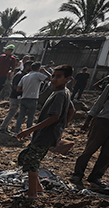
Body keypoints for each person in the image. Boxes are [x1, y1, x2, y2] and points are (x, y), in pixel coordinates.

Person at [16, 65, 74, 197]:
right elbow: (71, 110)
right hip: (45, 133)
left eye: (58, 77)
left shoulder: (60, 95)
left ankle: (32, 193)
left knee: (32, 161)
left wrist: (29, 130)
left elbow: (54, 117)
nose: (54, 79)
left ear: (67, 79)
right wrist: (61, 128)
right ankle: (38, 186)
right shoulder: (62, 92)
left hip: (45, 135)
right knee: (26, 156)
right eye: (53, 76)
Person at [18, 62, 51, 133]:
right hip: (32, 98)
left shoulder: (25, 76)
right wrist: (45, 71)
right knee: (30, 116)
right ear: (39, 68)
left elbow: (18, 88)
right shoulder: (38, 75)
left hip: (24, 98)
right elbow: (51, 79)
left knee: (21, 116)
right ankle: (28, 132)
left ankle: (16, 131)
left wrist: (26, 90)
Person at [0, 66, 26, 136]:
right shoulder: (20, 75)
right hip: (15, 97)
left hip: (15, 96)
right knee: (11, 112)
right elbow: (16, 87)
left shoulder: (21, 74)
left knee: (12, 113)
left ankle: (5, 128)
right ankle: (2, 129)